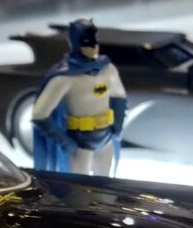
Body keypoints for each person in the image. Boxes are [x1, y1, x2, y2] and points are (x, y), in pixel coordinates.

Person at [30, 20, 128, 176]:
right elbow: (39, 115)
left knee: (105, 183)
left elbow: (119, 97)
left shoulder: (108, 69)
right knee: (79, 187)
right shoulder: (64, 78)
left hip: (105, 138)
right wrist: (65, 143)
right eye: (87, 42)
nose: (93, 46)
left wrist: (117, 125)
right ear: (76, 43)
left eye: (95, 40)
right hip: (81, 143)